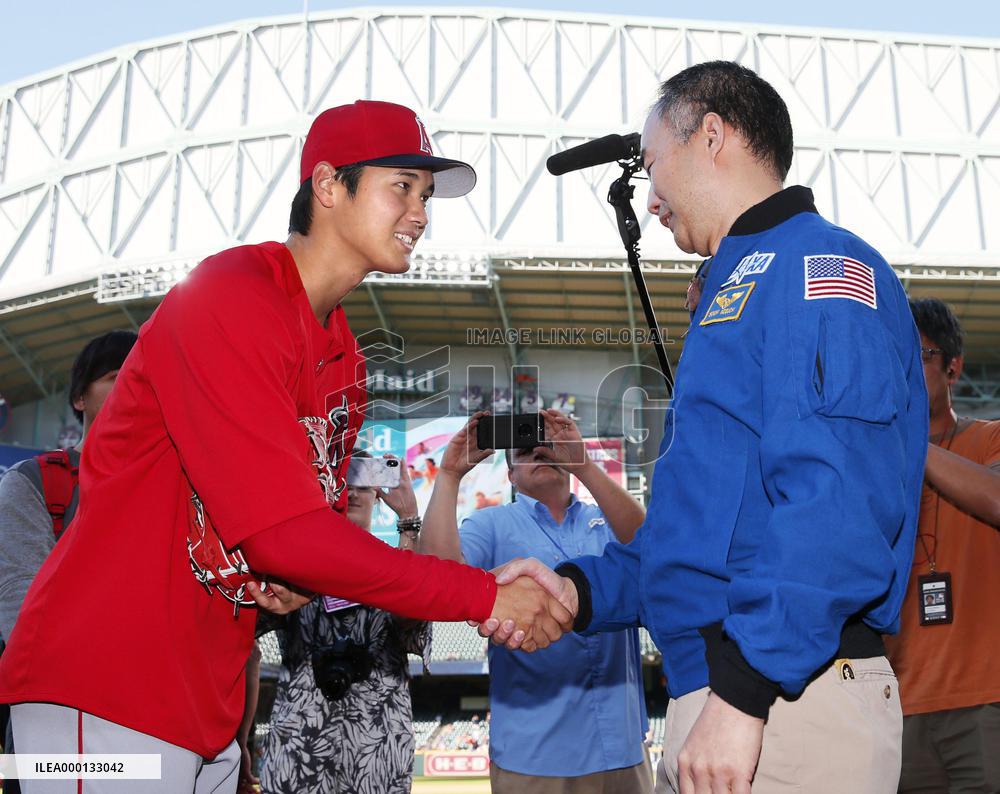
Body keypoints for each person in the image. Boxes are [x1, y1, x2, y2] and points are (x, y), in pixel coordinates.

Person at [0, 99, 571, 794]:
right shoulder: (230, 295)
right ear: (328, 185)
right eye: (402, 186)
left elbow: (303, 541)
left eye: (426, 195)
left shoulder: (345, 359)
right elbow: (286, 535)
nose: (420, 212)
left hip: (208, 701)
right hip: (101, 684)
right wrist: (482, 594)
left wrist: (291, 577)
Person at [487, 61, 928, 794]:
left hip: (780, 699)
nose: (649, 197)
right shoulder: (738, 282)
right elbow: (697, 537)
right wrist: (578, 593)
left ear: (713, 137)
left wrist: (746, 690)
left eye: (653, 163)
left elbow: (838, 507)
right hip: (734, 694)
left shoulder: (820, 265)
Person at [422, 409, 652, 793]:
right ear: (510, 475)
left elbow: (652, 552)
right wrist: (448, 476)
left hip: (623, 750)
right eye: (524, 450)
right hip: (535, 757)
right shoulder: (491, 524)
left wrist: (585, 466)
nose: (538, 451)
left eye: (546, 446)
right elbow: (438, 579)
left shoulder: (607, 518)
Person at [0, 331, 135, 794]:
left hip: (152, 722)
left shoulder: (185, 490)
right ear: (79, 397)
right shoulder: (34, 482)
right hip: (52, 717)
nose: (133, 384)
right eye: (116, 376)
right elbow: (19, 608)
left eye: (144, 376)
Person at [260, 452, 431, 794]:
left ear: (378, 495)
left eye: (363, 484)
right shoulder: (294, 564)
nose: (351, 492)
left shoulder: (396, 567)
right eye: (341, 481)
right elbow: (247, 622)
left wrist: (409, 520)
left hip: (376, 753)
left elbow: (414, 616)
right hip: (300, 749)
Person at [885, 298, 1000, 793]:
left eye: (921, 355)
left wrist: (910, 444)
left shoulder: (989, 439)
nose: (906, 371)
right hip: (898, 706)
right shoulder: (877, 466)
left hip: (986, 701)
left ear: (953, 367)